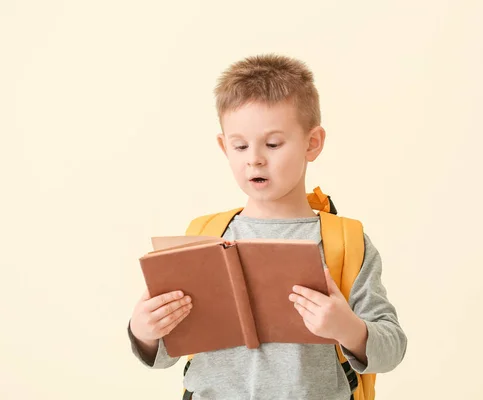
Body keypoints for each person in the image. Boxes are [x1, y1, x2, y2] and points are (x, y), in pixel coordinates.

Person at [127, 53, 407, 399]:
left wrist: (348, 329)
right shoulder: (202, 236)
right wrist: (144, 331)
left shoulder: (344, 242)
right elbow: (165, 352)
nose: (254, 158)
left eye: (273, 144)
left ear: (312, 143)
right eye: (240, 145)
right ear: (223, 146)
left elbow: (392, 348)